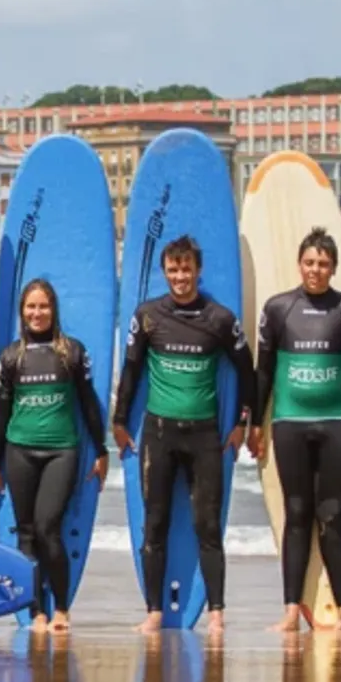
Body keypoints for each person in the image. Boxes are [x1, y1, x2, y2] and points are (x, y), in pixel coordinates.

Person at [111, 235, 255, 636]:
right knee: (154, 524)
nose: (180, 276)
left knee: (207, 525)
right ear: (165, 271)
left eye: (186, 268)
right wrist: (119, 421)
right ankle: (154, 611)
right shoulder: (148, 316)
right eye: (173, 269)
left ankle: (217, 613)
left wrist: (243, 422)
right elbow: (131, 371)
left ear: (198, 270)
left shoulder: (220, 319)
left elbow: (247, 372)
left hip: (204, 436)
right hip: (159, 434)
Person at [249, 227, 341, 636]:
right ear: (299, 264)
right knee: (297, 515)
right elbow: (263, 370)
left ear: (334, 267)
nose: (315, 270)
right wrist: (255, 423)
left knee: (332, 515)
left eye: (323, 263)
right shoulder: (279, 309)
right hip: (289, 422)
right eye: (309, 262)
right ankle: (290, 611)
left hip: (337, 422)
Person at [0, 278, 109, 632]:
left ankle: (61, 609)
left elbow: (89, 404)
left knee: (48, 528)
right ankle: (35, 611)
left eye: (43, 306)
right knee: (26, 532)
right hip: (19, 450)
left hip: (61, 451)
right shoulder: (11, 356)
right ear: (22, 312)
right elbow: (2, 413)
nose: (37, 313)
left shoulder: (71, 351)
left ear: (53, 310)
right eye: (31, 307)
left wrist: (101, 450)